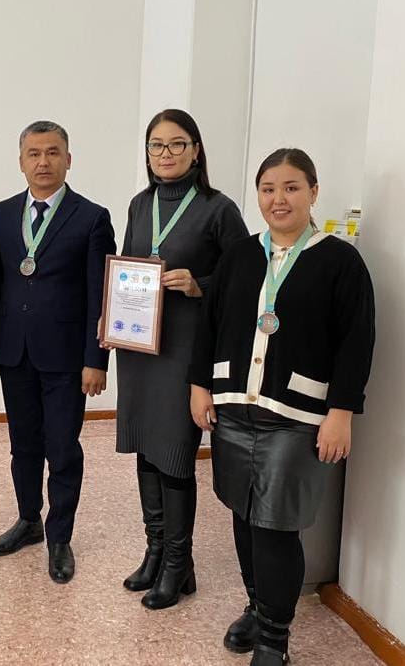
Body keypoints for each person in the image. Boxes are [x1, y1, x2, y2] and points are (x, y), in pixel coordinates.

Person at [189, 149, 375, 665]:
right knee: (243, 515)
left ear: (313, 192)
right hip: (233, 407)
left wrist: (341, 413)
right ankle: (256, 606)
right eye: (268, 188)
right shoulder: (240, 256)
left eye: (291, 187)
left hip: (295, 417)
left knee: (275, 526)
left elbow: (356, 343)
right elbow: (209, 325)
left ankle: (275, 637)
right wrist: (199, 386)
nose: (279, 199)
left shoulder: (339, 261)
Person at [114, 109, 248, 610]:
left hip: (185, 351)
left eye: (176, 144)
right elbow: (126, 267)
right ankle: (155, 552)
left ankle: (178, 563)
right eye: (156, 145)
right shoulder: (139, 204)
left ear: (196, 150)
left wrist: (199, 284)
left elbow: (246, 280)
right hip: (140, 349)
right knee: (146, 447)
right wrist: (111, 315)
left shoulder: (219, 209)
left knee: (173, 452)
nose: (165, 154)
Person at [0, 120, 116, 583]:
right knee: (23, 445)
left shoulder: (91, 217)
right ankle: (28, 520)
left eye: (53, 152)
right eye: (34, 153)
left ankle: (59, 536)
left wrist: (95, 360)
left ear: (68, 159)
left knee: (62, 448)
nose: (43, 162)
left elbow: (100, 294)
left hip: (66, 358)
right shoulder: (3, 213)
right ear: (21, 161)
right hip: (15, 352)